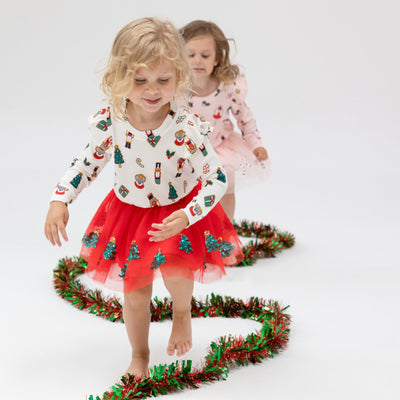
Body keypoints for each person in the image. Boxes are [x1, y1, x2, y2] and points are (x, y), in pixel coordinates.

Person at [44, 17, 243, 379]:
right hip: (130, 215)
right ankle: (139, 354)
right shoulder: (112, 120)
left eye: (163, 80)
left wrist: (190, 214)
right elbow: (88, 162)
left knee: (178, 275)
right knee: (135, 294)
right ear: (120, 77)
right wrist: (61, 198)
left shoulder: (185, 127)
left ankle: (181, 313)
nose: (152, 90)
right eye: (139, 80)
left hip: (177, 213)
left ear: (179, 77)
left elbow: (215, 177)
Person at [180, 20, 269, 221]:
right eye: (190, 55)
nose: (197, 61)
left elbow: (245, 118)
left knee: (226, 189)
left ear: (217, 59)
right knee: (186, 193)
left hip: (221, 148)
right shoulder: (176, 88)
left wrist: (256, 144)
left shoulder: (228, 88)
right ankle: (190, 233)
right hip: (187, 150)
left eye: (205, 55)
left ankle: (226, 230)